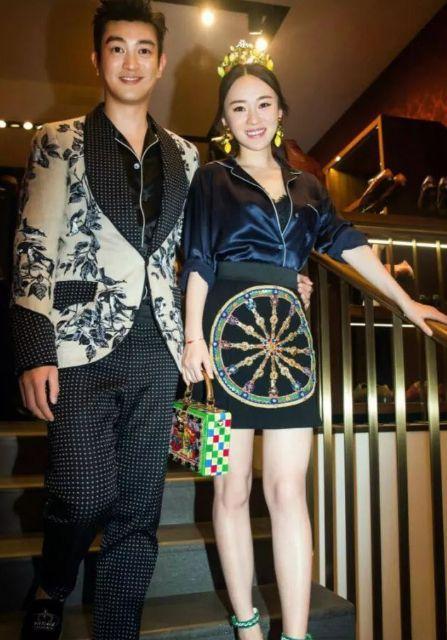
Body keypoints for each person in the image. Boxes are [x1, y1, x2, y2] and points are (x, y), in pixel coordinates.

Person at [180, 41, 447, 640]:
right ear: (224, 120)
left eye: (263, 104)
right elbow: (197, 259)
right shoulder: (211, 179)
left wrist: (406, 302)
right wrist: (192, 337)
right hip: (221, 345)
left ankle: (295, 634)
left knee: (288, 491)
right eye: (238, 107)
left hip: (290, 351)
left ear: (281, 111)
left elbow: (349, 244)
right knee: (228, 489)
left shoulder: (309, 187)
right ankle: (247, 626)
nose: (252, 117)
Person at [11, 1, 200, 638]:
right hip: (78, 342)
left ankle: (119, 629)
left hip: (159, 349)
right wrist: (34, 347)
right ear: (97, 59)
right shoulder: (58, 140)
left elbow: (198, 253)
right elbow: (34, 245)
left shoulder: (186, 156)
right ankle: (53, 581)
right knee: (83, 493)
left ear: (161, 62)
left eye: (144, 49)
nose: (131, 62)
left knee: (139, 512)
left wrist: (280, 280)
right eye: (117, 48)